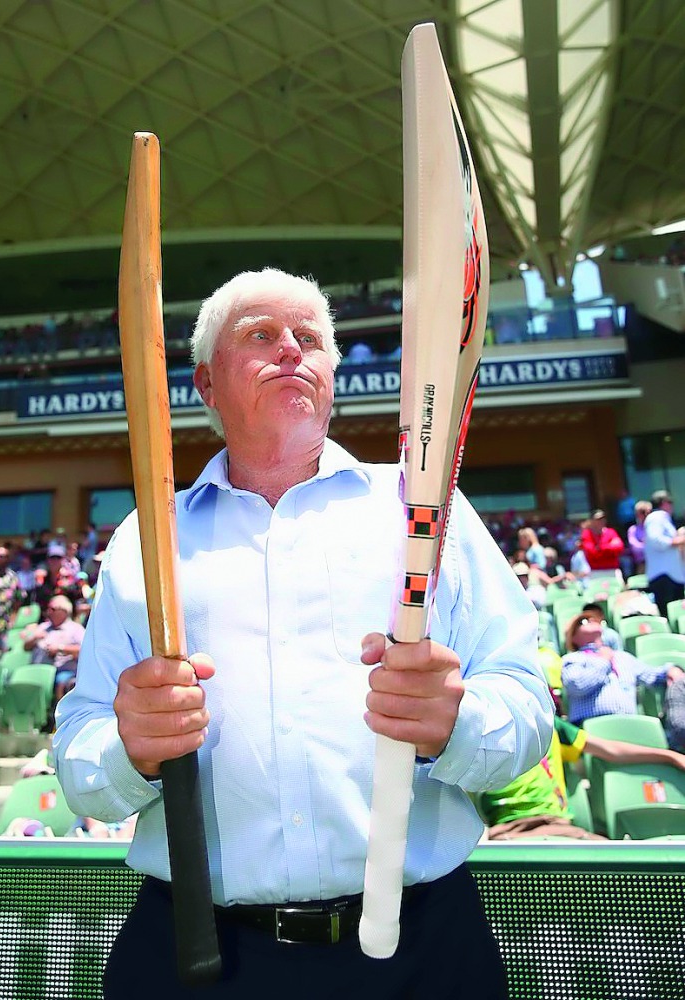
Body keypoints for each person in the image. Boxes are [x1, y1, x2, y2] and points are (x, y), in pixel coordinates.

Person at [53, 268, 553, 1000]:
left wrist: (458, 722)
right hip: (196, 953)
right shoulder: (146, 540)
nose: (292, 349)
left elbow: (528, 708)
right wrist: (130, 749)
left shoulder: (423, 507)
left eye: (311, 339)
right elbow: (80, 761)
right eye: (261, 336)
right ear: (205, 384)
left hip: (420, 952)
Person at [481, 713, 685, 840]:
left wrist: (670, 756)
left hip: (556, 826)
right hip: (507, 830)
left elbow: (610, 750)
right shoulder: (477, 729)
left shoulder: (550, 724)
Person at [560, 612, 683, 725]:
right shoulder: (572, 659)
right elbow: (578, 685)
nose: (592, 621)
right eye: (584, 621)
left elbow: (651, 675)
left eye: (595, 620)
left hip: (629, 724)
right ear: (573, 637)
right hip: (592, 725)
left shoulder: (622, 657)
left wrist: (671, 670)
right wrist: (603, 661)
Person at [21, 595, 86, 704]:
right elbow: (25, 647)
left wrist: (60, 648)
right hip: (37, 671)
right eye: (48, 608)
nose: (48, 612)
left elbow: (84, 650)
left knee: (61, 682)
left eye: (53, 609)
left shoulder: (76, 629)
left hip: (62, 671)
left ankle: (57, 716)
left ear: (64, 611)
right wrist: (35, 637)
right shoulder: (43, 627)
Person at [643, 490, 685, 614]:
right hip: (663, 576)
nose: (671, 505)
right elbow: (656, 540)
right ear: (662, 503)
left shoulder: (663, 518)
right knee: (667, 613)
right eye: (669, 502)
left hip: (672, 575)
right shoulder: (656, 517)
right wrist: (680, 540)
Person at [579, 509, 624, 581]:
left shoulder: (611, 532)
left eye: (603, 518)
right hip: (596, 572)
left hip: (613, 570)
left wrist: (600, 548)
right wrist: (609, 547)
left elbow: (619, 548)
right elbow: (591, 552)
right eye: (598, 519)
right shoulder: (587, 534)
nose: (602, 521)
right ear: (591, 521)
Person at [627, 500, 652, 576]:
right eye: (641, 512)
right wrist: (650, 545)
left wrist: (645, 543)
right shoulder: (633, 530)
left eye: (646, 512)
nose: (644, 515)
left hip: (659, 561)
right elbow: (635, 548)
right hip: (642, 564)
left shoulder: (655, 528)